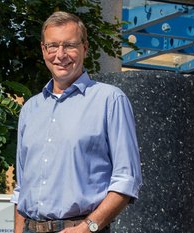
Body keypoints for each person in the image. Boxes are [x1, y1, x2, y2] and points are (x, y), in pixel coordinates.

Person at [10, 11, 142, 233]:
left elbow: (126, 179)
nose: (60, 55)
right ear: (43, 50)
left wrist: (86, 228)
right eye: (52, 46)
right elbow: (22, 187)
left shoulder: (109, 100)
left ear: (85, 48)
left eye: (69, 45)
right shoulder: (30, 109)